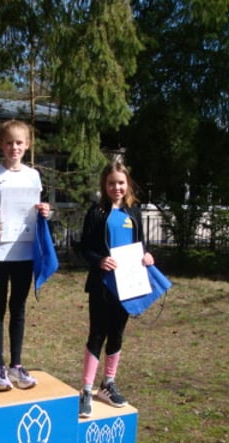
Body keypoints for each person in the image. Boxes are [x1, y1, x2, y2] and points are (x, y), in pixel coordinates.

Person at [0, 119, 50, 391]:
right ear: (0, 145)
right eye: (9, 143)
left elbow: (40, 206)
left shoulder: (33, 176)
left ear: (27, 145)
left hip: (25, 250)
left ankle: (16, 365)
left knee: (18, 308)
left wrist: (46, 211)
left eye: (19, 143)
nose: (14, 147)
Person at [78, 161, 154, 418]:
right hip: (102, 284)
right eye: (111, 183)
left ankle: (108, 383)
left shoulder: (134, 212)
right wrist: (99, 260)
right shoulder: (97, 212)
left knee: (117, 333)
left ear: (127, 184)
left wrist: (146, 256)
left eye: (121, 182)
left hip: (127, 285)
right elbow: (84, 247)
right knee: (97, 334)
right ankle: (86, 389)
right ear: (104, 185)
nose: (116, 187)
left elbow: (140, 245)